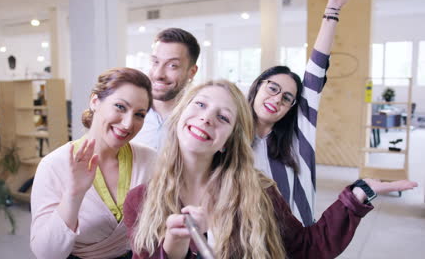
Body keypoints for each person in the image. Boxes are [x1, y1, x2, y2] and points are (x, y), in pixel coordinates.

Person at [123, 80, 417, 259]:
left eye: (223, 117)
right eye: (200, 105)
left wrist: (356, 196)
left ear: (228, 142)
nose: (207, 118)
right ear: (181, 115)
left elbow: (307, 248)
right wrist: (172, 251)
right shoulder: (140, 201)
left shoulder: (257, 192)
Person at [247, 0, 353, 226]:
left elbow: (316, 70)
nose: (276, 99)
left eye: (287, 97)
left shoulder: (298, 137)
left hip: (294, 244)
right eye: (272, 88)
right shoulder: (229, 137)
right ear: (257, 87)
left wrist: (332, 8)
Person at [30, 67, 157, 259]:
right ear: (95, 101)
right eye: (120, 107)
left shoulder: (150, 159)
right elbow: (47, 254)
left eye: (139, 114)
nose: (127, 124)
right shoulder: (53, 165)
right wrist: (74, 194)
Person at [131, 28, 200, 150]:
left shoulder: (198, 120)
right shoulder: (128, 113)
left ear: (192, 72)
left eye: (172, 65)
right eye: (155, 62)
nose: (158, 74)